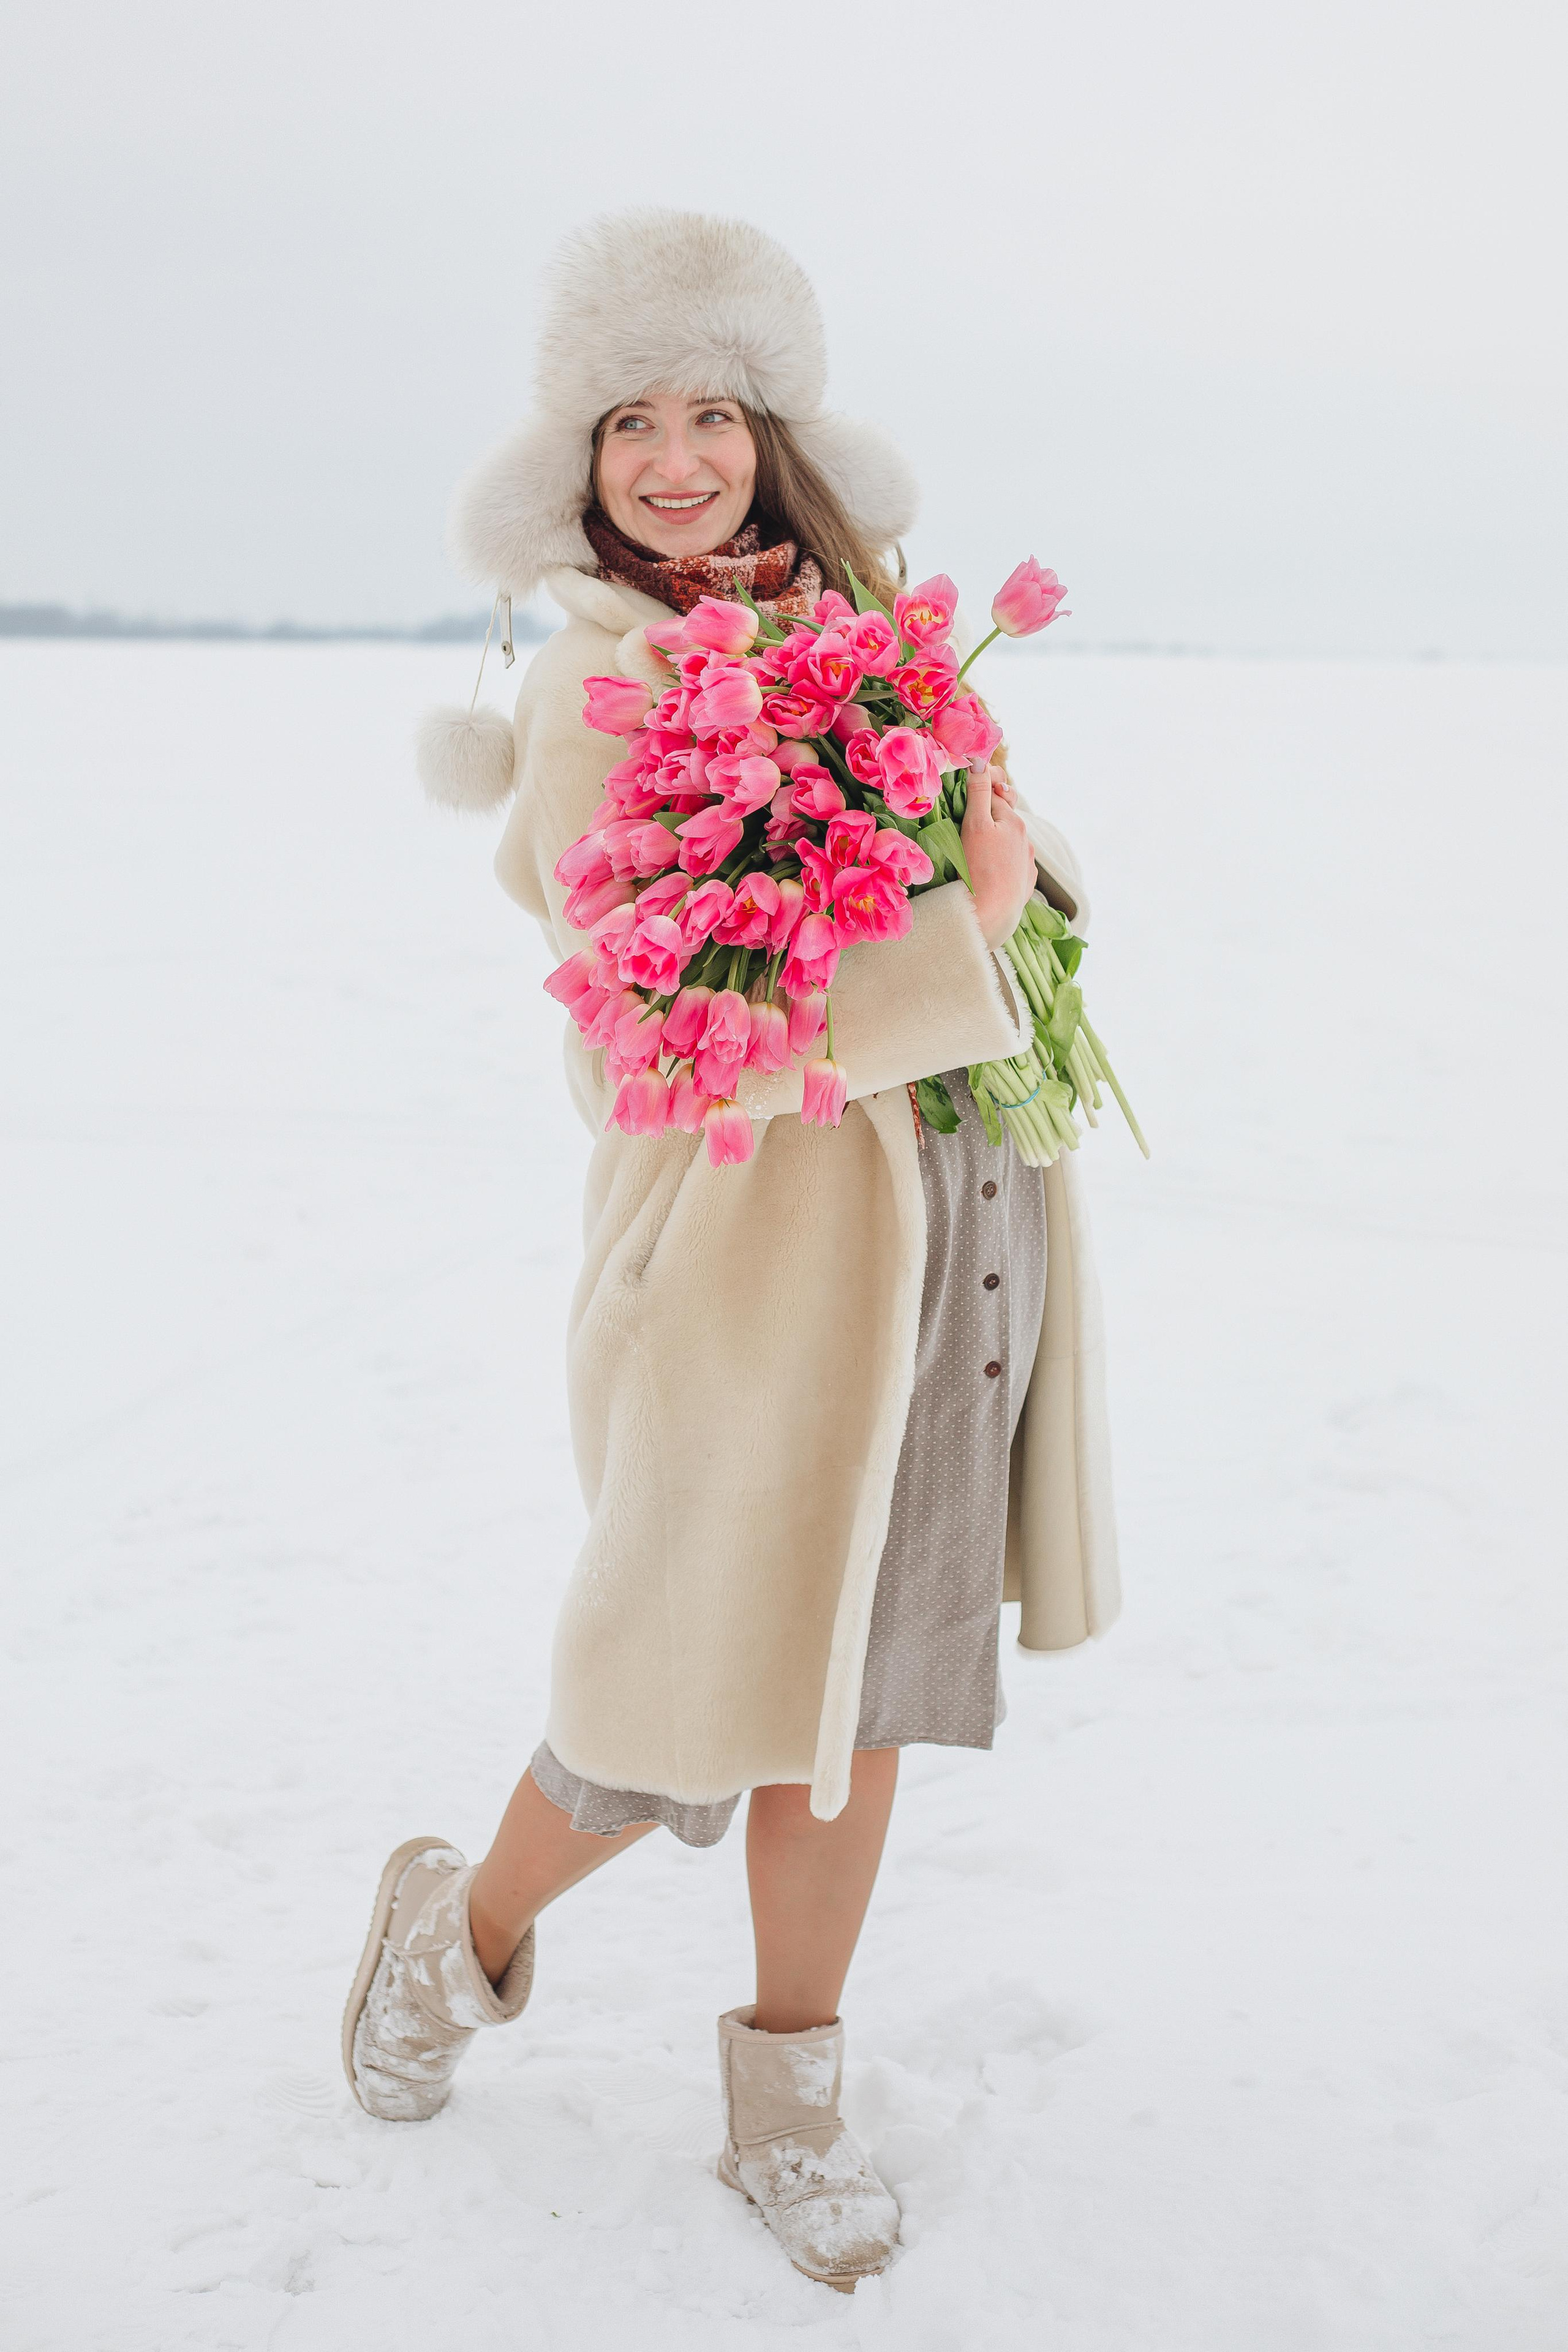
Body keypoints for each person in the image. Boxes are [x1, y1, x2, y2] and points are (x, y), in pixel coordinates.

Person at [347, 209, 1119, 2296]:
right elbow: (669, 996)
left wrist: (1012, 878)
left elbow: (999, 867)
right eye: (630, 424)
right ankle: (464, 1927)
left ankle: (790, 2101)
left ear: (775, 436)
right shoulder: (601, 689)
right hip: (749, 1256)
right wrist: (958, 916)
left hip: (947, 1216)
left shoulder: (862, 633)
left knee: (861, 1698)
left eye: (712, 414)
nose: (675, 460)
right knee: (668, 1692)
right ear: (581, 464)